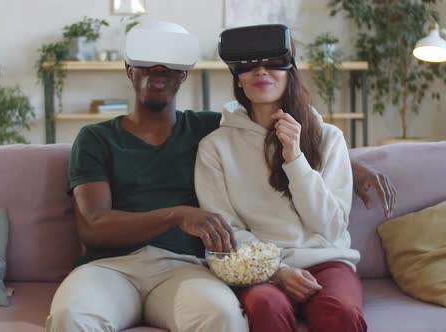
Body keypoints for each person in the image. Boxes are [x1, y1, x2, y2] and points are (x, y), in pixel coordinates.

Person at [47, 21, 395, 332]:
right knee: (71, 318)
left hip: (184, 268)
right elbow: (93, 224)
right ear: (128, 69)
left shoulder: (208, 128)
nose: (157, 73)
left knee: (225, 318)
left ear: (184, 75)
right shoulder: (98, 138)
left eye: (169, 67)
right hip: (109, 269)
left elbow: (274, 128)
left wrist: (352, 163)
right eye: (145, 65)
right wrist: (176, 215)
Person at [194, 24, 371, 332]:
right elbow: (227, 230)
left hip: (327, 260)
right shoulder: (215, 147)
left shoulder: (328, 138)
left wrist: (295, 159)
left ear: (290, 70)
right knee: (266, 306)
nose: (261, 71)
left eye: (272, 63)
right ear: (238, 77)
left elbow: (331, 226)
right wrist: (278, 271)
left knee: (341, 313)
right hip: (258, 268)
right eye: (250, 65)